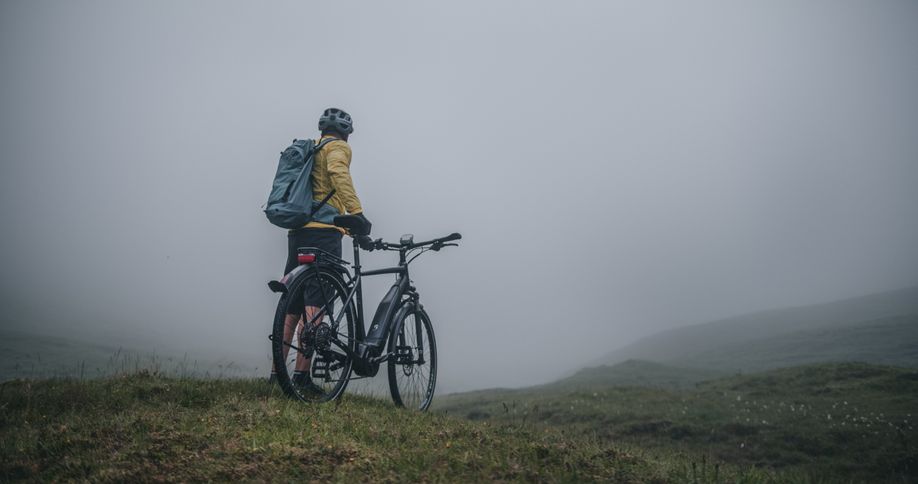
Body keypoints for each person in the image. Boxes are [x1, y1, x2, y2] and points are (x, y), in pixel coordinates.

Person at [272, 107, 370, 392]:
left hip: (298, 231)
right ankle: (302, 377)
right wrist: (357, 212)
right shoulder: (337, 147)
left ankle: (277, 373)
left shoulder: (312, 149)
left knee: (292, 303)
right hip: (325, 232)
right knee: (316, 304)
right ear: (346, 133)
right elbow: (338, 172)